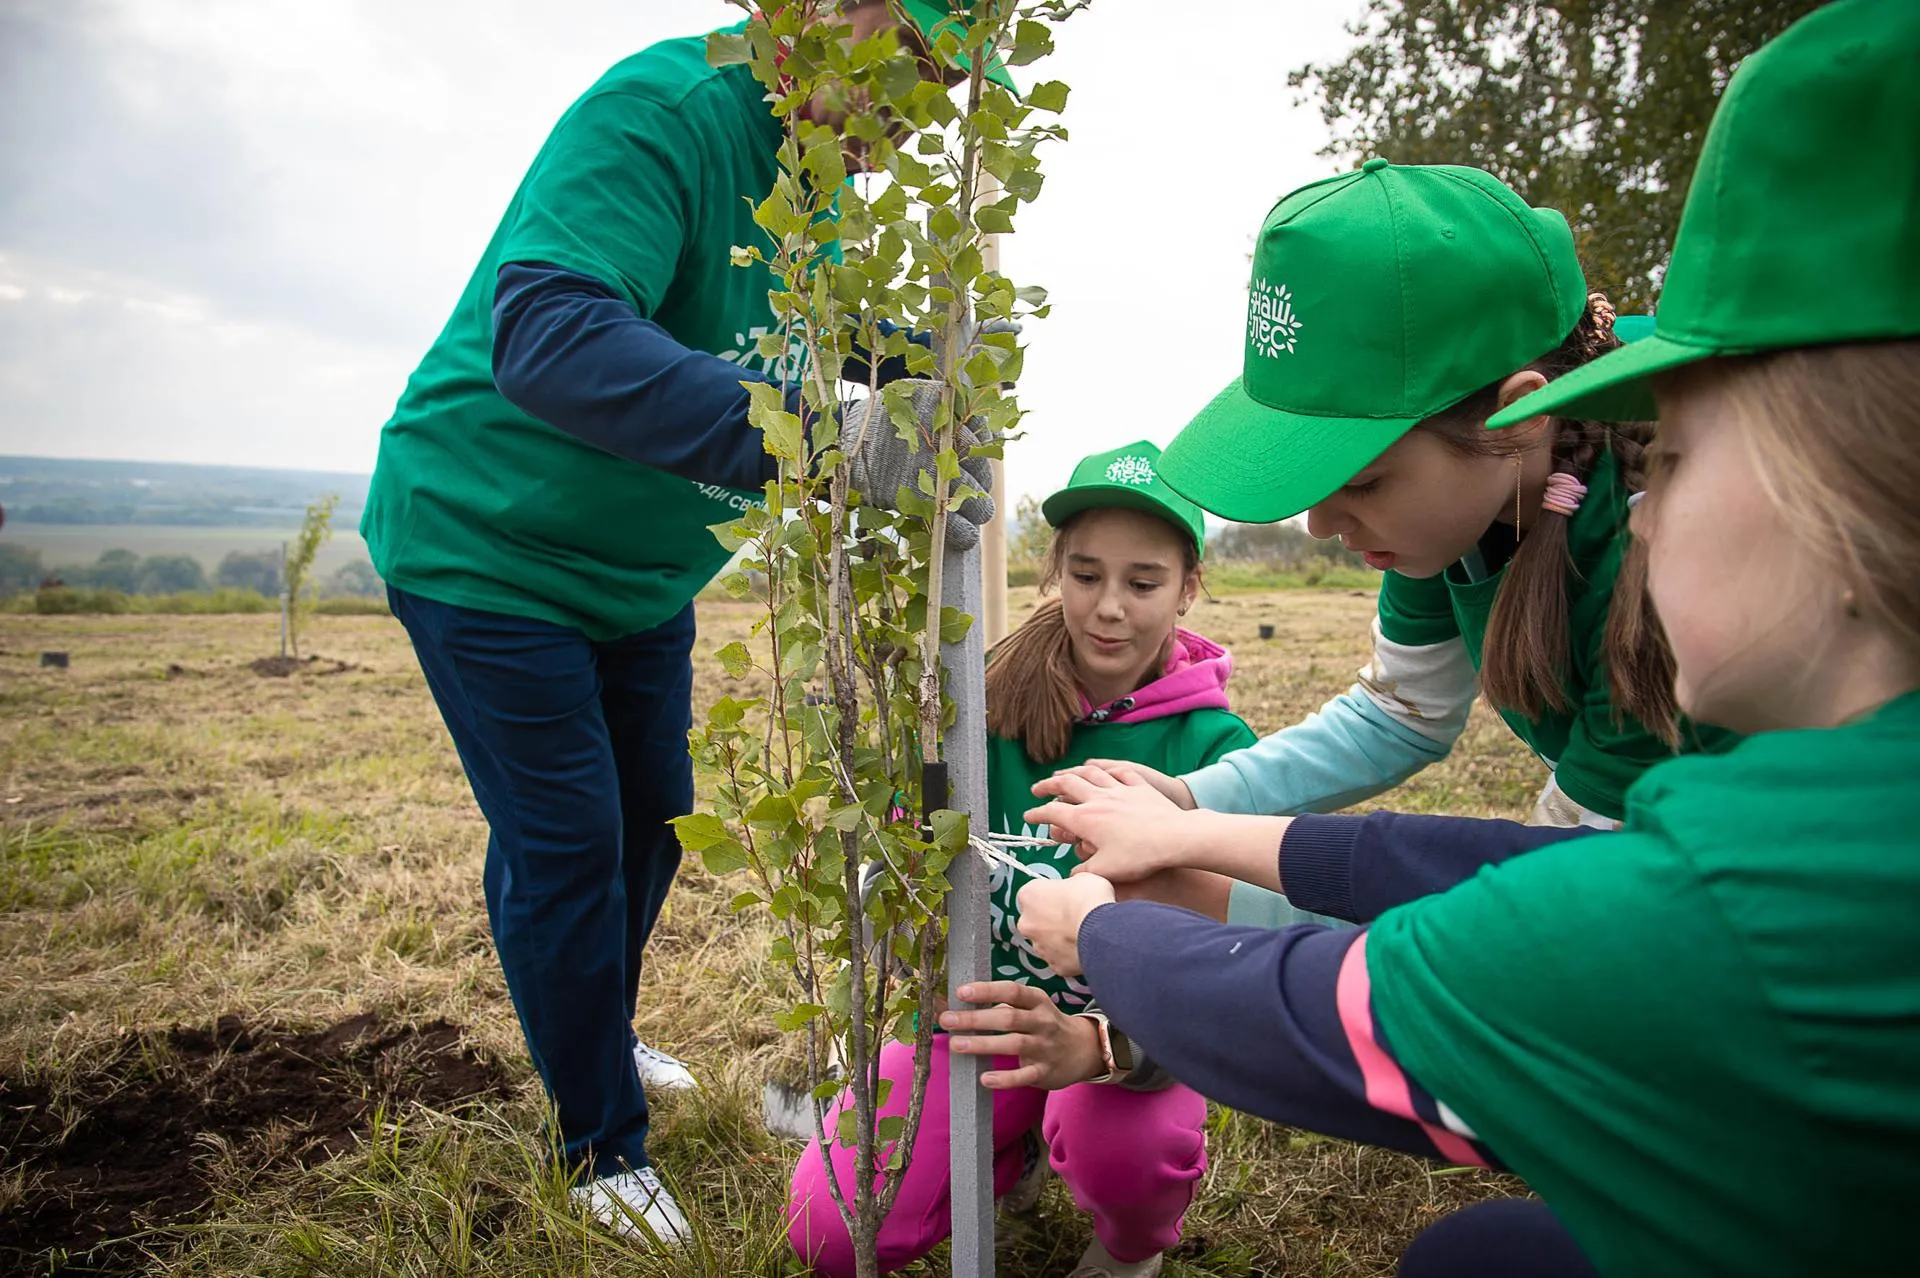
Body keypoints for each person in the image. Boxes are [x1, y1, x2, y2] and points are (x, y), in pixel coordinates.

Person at [1014, 2, 1920, 1271]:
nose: (1326, 521)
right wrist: (1193, 814)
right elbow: (1412, 739)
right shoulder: (1461, 535)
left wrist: (1114, 934)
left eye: (1688, 456)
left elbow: (1493, 963)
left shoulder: (1672, 683)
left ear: (1513, 418)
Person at [359, 2, 1004, 1244]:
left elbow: (801, 328)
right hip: (487, 540)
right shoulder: (665, 114)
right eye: (909, 62)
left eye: (946, 81)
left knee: (649, 821)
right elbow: (548, 334)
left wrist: (928, 355)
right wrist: (833, 438)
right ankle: (598, 1141)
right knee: (564, 843)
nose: (918, 105)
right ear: (819, 17)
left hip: (635, 572)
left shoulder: (820, 184)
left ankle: (591, 1025)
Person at [1089, 161, 1737, 927]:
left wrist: (1211, 899)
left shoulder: (1671, 559)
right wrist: (1193, 796)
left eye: (1361, 483)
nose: (1321, 527)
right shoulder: (1459, 507)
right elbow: (1402, 712)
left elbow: (1558, 901)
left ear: (1520, 417)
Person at [787, 443, 1256, 1278]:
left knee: (1128, 1157)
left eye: (1143, 584)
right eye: (1085, 575)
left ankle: (1127, 1247)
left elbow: (1219, 968)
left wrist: (1102, 1044)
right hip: (972, 1024)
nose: (1109, 608)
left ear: (1188, 589)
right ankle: (1014, 1154)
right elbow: (909, 837)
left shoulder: (1216, 753)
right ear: (1054, 570)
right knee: (828, 1231)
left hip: (1118, 1043)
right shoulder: (976, 699)